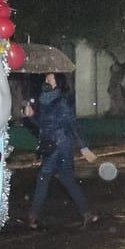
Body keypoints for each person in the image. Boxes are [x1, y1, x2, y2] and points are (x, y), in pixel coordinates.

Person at [22, 72, 97, 229]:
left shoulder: (62, 101)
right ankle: (87, 213)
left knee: (44, 177)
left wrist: (83, 146)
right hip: (50, 144)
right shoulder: (44, 99)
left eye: (50, 78)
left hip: (61, 145)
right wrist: (30, 116)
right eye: (46, 78)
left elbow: (72, 124)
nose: (46, 80)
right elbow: (41, 126)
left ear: (57, 82)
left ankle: (32, 217)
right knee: (66, 178)